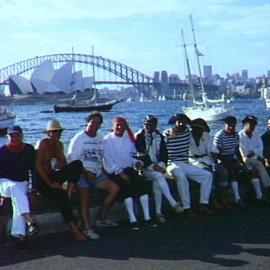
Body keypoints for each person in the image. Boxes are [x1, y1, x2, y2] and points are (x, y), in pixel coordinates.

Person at [67, 112, 119, 240]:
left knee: (115, 189)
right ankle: (87, 228)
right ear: (87, 123)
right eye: (92, 122)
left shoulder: (100, 138)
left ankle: (102, 219)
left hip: (97, 173)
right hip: (81, 174)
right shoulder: (78, 138)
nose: (95, 125)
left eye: (98, 123)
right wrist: (85, 172)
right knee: (85, 198)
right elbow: (72, 161)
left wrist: (106, 171)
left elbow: (103, 157)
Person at [35, 120, 86, 241]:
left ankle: (68, 192)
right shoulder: (42, 143)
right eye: (54, 132)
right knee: (61, 197)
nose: (57, 134)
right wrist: (51, 184)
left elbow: (63, 165)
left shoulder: (60, 145)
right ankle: (74, 229)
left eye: (58, 132)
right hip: (43, 180)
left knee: (77, 164)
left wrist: (59, 155)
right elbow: (38, 167)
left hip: (54, 175)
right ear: (49, 133)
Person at [103, 117, 157, 230]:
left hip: (128, 169)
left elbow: (132, 156)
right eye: (117, 125)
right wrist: (119, 172)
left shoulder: (128, 138)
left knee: (142, 184)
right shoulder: (107, 140)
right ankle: (133, 219)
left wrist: (137, 163)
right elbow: (108, 161)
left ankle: (147, 217)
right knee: (126, 187)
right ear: (112, 126)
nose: (119, 127)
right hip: (114, 172)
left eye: (122, 125)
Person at [135, 115, 183, 223]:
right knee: (159, 176)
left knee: (158, 179)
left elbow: (164, 155)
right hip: (145, 169)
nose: (148, 126)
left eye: (151, 124)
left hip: (158, 168)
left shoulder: (159, 137)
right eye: (146, 124)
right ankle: (173, 203)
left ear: (155, 125)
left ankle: (158, 213)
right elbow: (141, 156)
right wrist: (154, 167)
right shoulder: (139, 137)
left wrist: (162, 166)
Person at [163, 114, 213, 217]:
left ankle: (203, 203)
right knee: (181, 176)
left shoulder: (187, 132)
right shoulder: (167, 134)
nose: (181, 124)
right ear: (174, 123)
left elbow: (201, 129)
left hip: (184, 163)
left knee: (207, 175)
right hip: (171, 164)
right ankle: (187, 208)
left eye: (183, 122)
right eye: (179, 122)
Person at [0, 126, 39, 248]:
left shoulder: (29, 149)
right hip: (4, 183)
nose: (15, 138)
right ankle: (30, 220)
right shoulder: (2, 151)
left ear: (22, 135)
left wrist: (34, 188)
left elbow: (33, 170)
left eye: (17, 135)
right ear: (8, 137)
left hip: (22, 183)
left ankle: (20, 237)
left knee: (19, 199)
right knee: (14, 188)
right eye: (12, 135)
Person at [189, 118, 231, 209]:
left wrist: (216, 163)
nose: (198, 131)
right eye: (196, 129)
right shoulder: (187, 137)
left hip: (207, 160)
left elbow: (213, 150)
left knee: (223, 172)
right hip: (193, 161)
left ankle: (223, 199)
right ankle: (212, 200)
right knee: (208, 173)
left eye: (200, 129)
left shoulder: (206, 136)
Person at [213, 116, 246, 207]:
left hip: (231, 157)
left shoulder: (236, 135)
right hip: (221, 159)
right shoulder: (219, 136)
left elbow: (236, 150)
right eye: (229, 125)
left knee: (244, 169)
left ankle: (241, 196)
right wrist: (230, 162)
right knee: (231, 171)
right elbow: (216, 153)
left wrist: (241, 161)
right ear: (225, 125)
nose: (231, 127)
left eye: (233, 125)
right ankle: (236, 198)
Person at [239, 115, 270, 201]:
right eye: (251, 125)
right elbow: (245, 153)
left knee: (258, 166)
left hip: (256, 158)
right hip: (246, 160)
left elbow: (260, 147)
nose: (252, 127)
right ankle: (267, 186)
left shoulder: (255, 134)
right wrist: (254, 152)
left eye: (254, 125)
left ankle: (260, 195)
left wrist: (254, 152)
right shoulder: (240, 136)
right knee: (259, 165)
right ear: (245, 125)